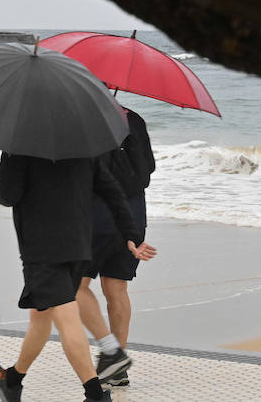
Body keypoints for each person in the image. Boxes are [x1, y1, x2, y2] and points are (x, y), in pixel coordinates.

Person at [0, 153, 156, 402]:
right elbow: (112, 191)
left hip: (42, 248)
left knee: (65, 316)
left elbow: (8, 195)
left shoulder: (21, 146)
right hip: (79, 244)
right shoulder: (81, 143)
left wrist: (6, 170)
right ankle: (12, 379)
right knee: (41, 313)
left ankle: (96, 395)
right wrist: (131, 233)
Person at [76, 104, 155, 388]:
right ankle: (117, 369)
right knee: (117, 288)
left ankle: (111, 351)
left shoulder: (84, 119)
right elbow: (149, 169)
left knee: (75, 286)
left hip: (95, 215)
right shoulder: (134, 118)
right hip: (133, 215)